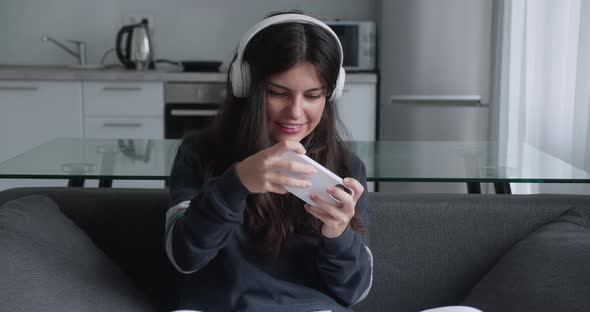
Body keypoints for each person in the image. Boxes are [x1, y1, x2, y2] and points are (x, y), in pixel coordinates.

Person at [165, 12, 372, 312]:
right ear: (245, 85)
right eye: (278, 93)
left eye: (313, 96)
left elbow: (355, 292)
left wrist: (338, 235)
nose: (295, 113)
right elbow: (184, 257)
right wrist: (236, 183)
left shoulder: (346, 167)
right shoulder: (199, 153)